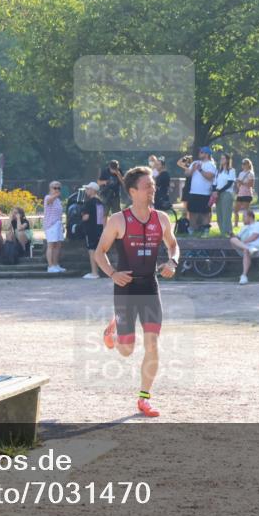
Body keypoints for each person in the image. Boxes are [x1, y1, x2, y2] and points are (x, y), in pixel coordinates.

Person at [95, 166, 179, 418]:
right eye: (147, 186)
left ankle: (144, 398)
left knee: (152, 343)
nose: (153, 189)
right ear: (132, 191)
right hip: (125, 289)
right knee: (127, 350)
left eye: (153, 185)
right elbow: (100, 253)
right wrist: (112, 273)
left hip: (150, 286)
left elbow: (173, 245)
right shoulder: (118, 220)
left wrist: (172, 261)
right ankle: (113, 332)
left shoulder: (161, 218)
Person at [229, 209, 259, 285]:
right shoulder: (244, 228)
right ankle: (248, 249)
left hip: (257, 249)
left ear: (250, 217)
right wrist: (232, 235)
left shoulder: (258, 224)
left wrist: (243, 243)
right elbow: (237, 238)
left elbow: (255, 236)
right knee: (233, 240)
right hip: (247, 248)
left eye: (244, 216)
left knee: (246, 250)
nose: (242, 219)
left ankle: (244, 276)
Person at [185, 146, 216, 233]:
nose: (199, 153)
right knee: (192, 212)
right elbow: (187, 173)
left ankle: (205, 229)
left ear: (207, 154)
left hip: (205, 193)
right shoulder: (195, 163)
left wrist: (200, 170)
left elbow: (210, 177)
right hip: (193, 192)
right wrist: (193, 169)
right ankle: (192, 229)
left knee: (205, 213)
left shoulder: (211, 165)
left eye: (201, 152)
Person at [80, 182, 106, 279]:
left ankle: (94, 272)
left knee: (92, 251)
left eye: (88, 189)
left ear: (92, 190)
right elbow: (103, 218)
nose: (86, 191)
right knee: (99, 251)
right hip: (99, 229)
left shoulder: (89, 202)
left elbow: (86, 217)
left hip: (90, 230)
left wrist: (80, 218)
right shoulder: (100, 202)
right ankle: (102, 271)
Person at [43, 181, 66, 273]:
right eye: (55, 188)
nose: (57, 190)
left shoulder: (58, 201)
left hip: (58, 224)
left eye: (58, 188)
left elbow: (59, 214)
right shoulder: (48, 197)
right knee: (51, 245)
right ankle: (50, 266)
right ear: (50, 188)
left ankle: (56, 264)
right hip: (51, 225)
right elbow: (49, 201)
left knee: (58, 245)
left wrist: (62, 225)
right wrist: (56, 195)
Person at [213, 154, 236, 237]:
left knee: (226, 214)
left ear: (227, 160)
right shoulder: (218, 171)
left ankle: (226, 232)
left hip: (227, 193)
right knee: (219, 214)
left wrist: (218, 191)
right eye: (221, 158)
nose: (221, 160)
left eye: (223, 158)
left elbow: (229, 183)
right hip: (218, 194)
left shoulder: (231, 170)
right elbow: (214, 183)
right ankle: (223, 232)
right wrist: (214, 191)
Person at [234, 158, 255, 228]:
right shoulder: (241, 173)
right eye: (242, 164)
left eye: (244, 164)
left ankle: (246, 225)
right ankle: (236, 225)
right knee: (235, 210)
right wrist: (238, 183)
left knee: (245, 211)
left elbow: (251, 185)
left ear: (248, 165)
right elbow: (238, 185)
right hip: (240, 194)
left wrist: (242, 182)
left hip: (247, 194)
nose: (243, 165)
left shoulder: (250, 173)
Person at [175, 154, 194, 224]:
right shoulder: (187, 167)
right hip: (186, 188)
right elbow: (178, 163)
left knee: (190, 207)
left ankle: (189, 221)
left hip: (192, 188)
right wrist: (184, 157)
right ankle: (185, 221)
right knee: (185, 207)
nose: (187, 161)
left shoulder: (193, 168)